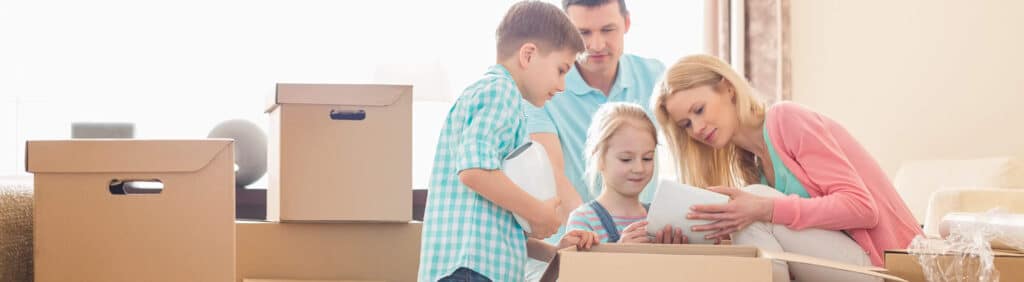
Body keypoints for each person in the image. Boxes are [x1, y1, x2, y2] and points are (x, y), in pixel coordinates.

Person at [651, 54, 923, 281]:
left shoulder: (786, 119)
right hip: (848, 266)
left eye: (698, 110)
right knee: (748, 211)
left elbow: (863, 209)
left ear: (727, 89)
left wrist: (765, 208)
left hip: (886, 269)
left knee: (756, 203)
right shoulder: (750, 162)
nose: (696, 129)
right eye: (686, 124)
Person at [417, 2, 585, 281]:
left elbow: (498, 223)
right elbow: (475, 172)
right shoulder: (500, 93)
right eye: (561, 69)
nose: (563, 86)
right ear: (528, 55)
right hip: (471, 270)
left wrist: (554, 250)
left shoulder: (497, 100)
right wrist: (539, 213)